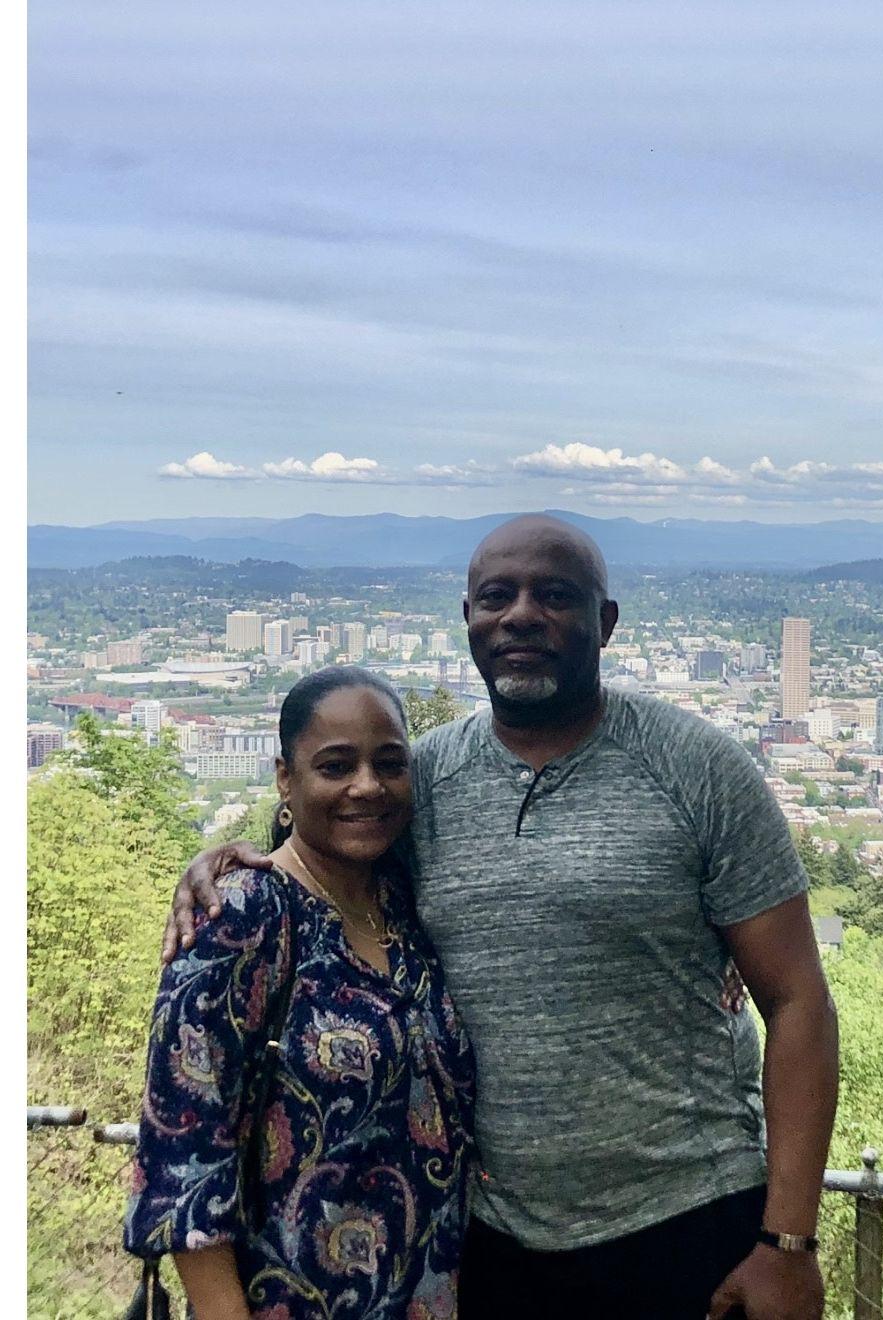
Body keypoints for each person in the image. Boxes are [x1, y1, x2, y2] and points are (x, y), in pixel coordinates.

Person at [169, 515, 839, 1320]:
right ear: (469, 620)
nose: (522, 614)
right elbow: (328, 847)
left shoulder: (700, 770)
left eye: (555, 595)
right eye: (497, 596)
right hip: (487, 1248)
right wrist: (229, 860)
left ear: (607, 622)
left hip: (690, 1221)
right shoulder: (425, 780)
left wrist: (788, 1244)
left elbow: (799, 1002)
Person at [128, 667, 475, 1319]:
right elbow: (182, 1155)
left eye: (389, 764)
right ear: (286, 778)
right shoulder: (241, 918)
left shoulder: (405, 906)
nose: (366, 786)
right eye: (336, 765)